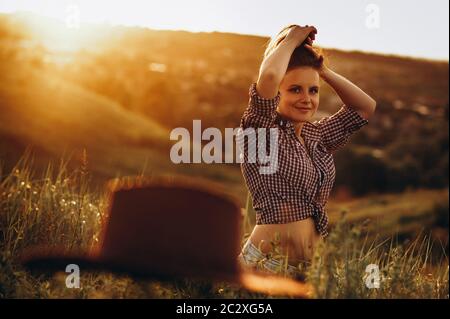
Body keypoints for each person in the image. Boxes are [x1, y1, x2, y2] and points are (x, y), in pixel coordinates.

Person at [237, 24, 377, 278]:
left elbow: (364, 108)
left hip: (312, 272)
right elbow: (268, 76)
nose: (307, 99)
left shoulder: (317, 135)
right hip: (267, 267)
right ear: (276, 93)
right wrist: (290, 40)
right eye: (294, 89)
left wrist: (321, 69)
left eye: (313, 90)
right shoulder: (260, 132)